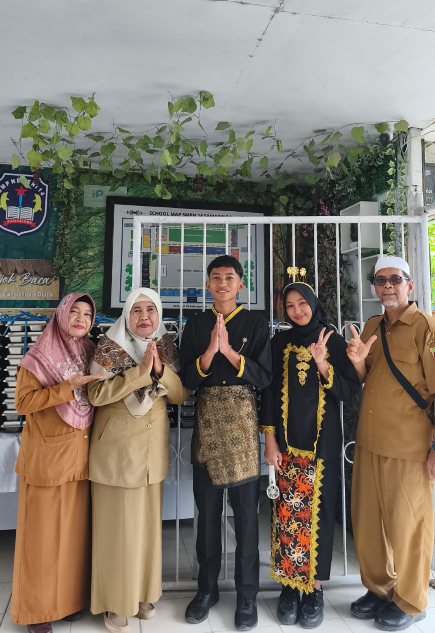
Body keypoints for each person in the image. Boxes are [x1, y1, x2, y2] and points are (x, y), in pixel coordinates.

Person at [347, 257, 435, 632]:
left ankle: (410, 600)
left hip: (410, 447)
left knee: (408, 526)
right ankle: (380, 590)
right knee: (368, 524)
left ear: (409, 285)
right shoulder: (372, 326)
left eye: (395, 279)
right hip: (370, 441)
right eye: (381, 280)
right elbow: (366, 377)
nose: (388, 286)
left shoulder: (426, 328)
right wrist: (358, 362)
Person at [260, 280, 361, 628]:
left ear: (313, 303)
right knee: (287, 516)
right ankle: (289, 587)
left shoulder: (332, 341)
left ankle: (314, 589)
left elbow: (349, 390)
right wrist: (269, 440)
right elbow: (268, 393)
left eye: (302, 303)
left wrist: (323, 365)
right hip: (286, 449)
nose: (297, 311)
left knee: (317, 517)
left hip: (323, 448)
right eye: (290, 306)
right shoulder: (279, 343)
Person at [180, 255, 273, 632]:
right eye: (215, 277)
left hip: (242, 427)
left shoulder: (255, 323)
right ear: (207, 285)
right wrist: (208, 354)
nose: (222, 283)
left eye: (229, 277)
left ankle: (247, 595)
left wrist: (231, 354)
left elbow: (264, 378)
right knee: (207, 518)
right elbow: (185, 381)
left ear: (240, 285)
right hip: (207, 425)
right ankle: (207, 590)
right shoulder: (196, 324)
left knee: (247, 518)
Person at [88, 288, 188, 633]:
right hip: (116, 450)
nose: (144, 317)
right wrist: (141, 373)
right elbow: (95, 393)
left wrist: (160, 369)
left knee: (146, 530)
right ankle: (116, 602)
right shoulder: (109, 346)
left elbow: (180, 395)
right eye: (137, 310)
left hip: (151, 451)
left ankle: (144, 594)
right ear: (126, 314)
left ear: (159, 314)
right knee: (117, 531)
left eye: (151, 310)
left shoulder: (166, 346)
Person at [11, 293, 103, 633]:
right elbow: (23, 402)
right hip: (47, 461)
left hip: (80, 458)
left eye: (87, 314)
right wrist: (66, 387)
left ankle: (66, 602)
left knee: (72, 538)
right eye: (74, 311)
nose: (80, 318)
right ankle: (36, 612)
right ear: (61, 314)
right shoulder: (39, 356)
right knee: (42, 541)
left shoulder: (90, 351)